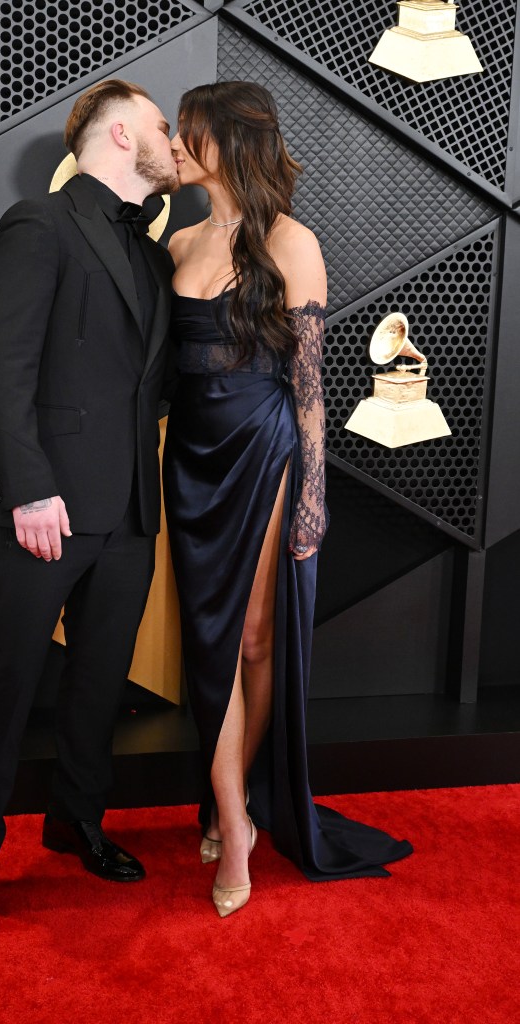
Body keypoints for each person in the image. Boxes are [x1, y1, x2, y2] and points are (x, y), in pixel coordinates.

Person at [163, 81, 412, 918]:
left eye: (186, 131)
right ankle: (229, 809)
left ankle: (230, 811)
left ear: (225, 142)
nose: (174, 143)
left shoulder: (290, 242)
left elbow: (309, 390)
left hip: (262, 451)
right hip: (189, 460)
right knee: (209, 644)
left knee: (257, 640)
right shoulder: (178, 239)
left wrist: (314, 494)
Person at [0, 79, 178, 946]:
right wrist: (30, 488)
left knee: (97, 686)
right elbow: (3, 368)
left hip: (129, 513)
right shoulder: (38, 225)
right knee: (5, 689)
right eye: (162, 125)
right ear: (120, 132)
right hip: (45, 506)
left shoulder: (153, 253)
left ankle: (76, 822)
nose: (173, 140)